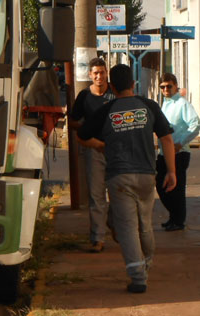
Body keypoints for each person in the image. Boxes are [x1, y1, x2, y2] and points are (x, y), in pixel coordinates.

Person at [77, 64, 176, 294]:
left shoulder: (106, 110)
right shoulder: (149, 106)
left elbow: (81, 136)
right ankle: (146, 264)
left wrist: (100, 145)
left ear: (111, 86)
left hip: (119, 177)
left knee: (127, 228)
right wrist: (171, 171)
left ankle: (138, 277)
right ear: (134, 84)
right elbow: (167, 139)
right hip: (146, 175)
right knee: (145, 224)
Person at [69, 57, 115, 253]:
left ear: (107, 73)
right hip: (93, 150)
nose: (99, 76)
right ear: (90, 75)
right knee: (96, 197)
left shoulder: (115, 94)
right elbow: (71, 122)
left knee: (119, 194)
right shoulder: (84, 96)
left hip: (115, 150)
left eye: (102, 72)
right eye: (95, 73)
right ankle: (98, 238)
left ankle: (114, 224)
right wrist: (87, 127)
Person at [156, 73, 200, 232]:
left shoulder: (182, 103)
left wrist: (180, 143)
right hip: (164, 152)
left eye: (169, 86)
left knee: (177, 188)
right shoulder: (165, 104)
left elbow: (195, 125)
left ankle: (178, 220)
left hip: (179, 153)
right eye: (163, 87)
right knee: (161, 185)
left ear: (175, 86)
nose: (166, 89)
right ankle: (173, 217)